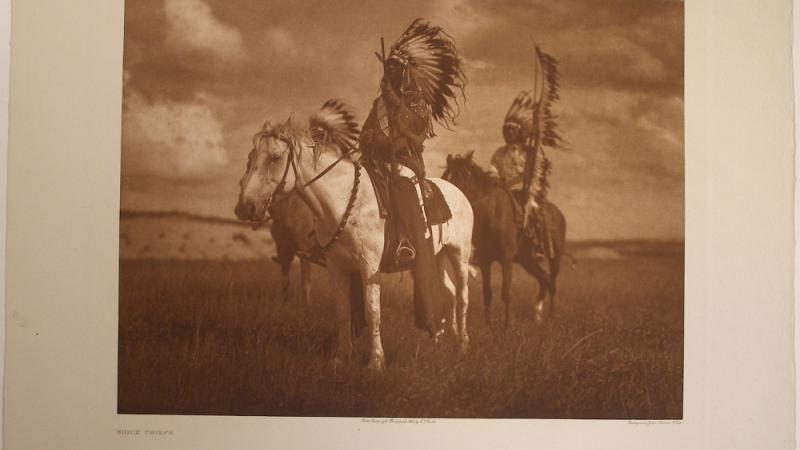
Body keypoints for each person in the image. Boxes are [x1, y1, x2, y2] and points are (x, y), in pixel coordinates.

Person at [359, 19, 465, 337]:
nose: (389, 73)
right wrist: (370, 141)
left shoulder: (417, 100)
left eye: (394, 68)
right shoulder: (379, 103)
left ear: (404, 72)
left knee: (406, 197)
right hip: (376, 164)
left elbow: (412, 137)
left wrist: (397, 111)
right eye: (387, 68)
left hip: (404, 167)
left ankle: (410, 249)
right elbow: (366, 133)